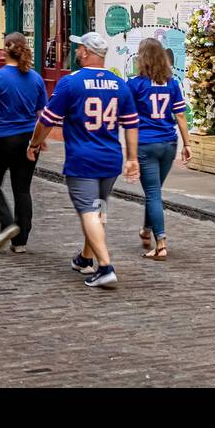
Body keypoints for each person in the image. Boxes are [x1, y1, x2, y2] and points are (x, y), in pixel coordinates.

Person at [27, 32, 139, 290]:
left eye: (78, 48)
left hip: (83, 159)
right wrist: (132, 157)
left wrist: (34, 143)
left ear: (87, 52)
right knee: (98, 208)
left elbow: (47, 119)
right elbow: (132, 123)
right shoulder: (119, 84)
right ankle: (86, 258)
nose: (75, 51)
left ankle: (105, 266)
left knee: (88, 211)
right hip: (110, 158)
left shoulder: (70, 83)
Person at [0, 32, 46, 254]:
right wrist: (39, 139)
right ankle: (20, 241)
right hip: (27, 140)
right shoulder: (36, 78)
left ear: (5, 50)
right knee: (22, 189)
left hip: (2, 139)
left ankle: (7, 222)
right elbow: (43, 114)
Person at [128, 38, 192, 261]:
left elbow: (128, 118)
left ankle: (161, 244)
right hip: (169, 143)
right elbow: (181, 115)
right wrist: (188, 144)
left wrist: (129, 152)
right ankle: (146, 230)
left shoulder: (135, 85)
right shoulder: (172, 83)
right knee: (154, 191)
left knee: (153, 193)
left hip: (146, 144)